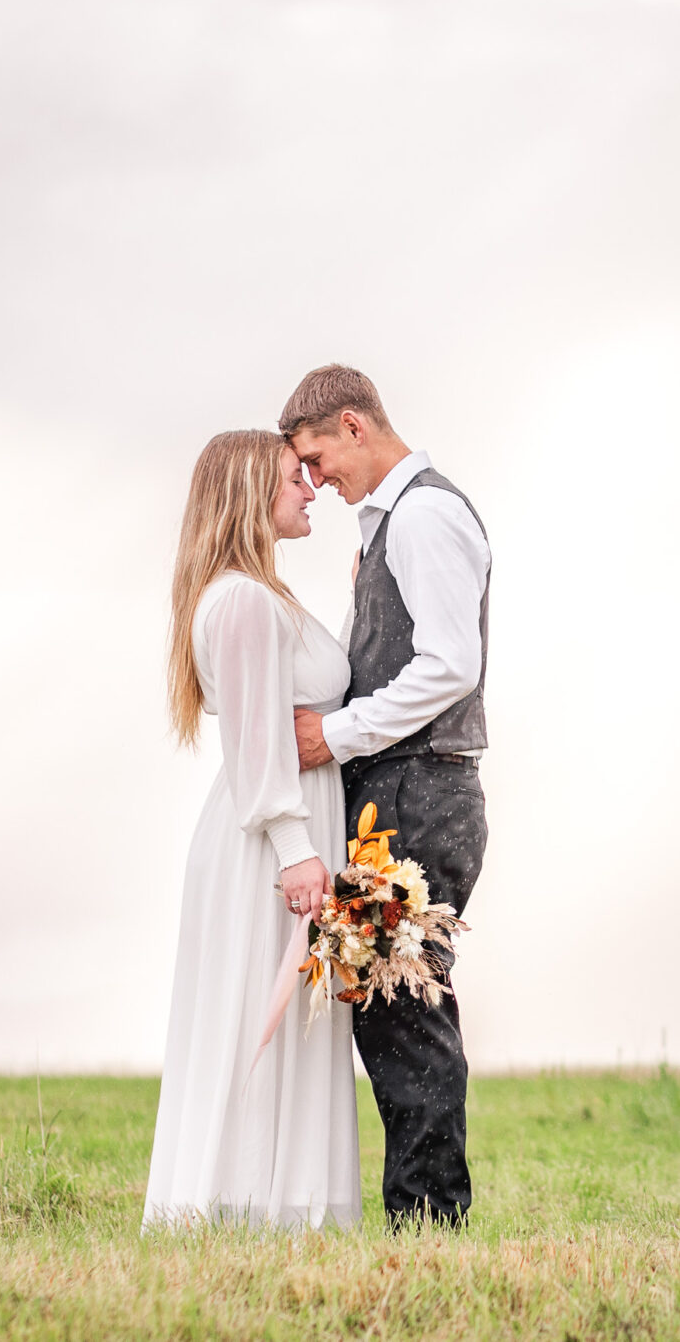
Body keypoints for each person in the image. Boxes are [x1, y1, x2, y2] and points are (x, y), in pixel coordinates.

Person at [281, 364, 491, 1229]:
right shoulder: (393, 522)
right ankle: (421, 1216)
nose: (316, 478)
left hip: (424, 785)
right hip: (400, 785)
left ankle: (431, 1221)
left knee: (407, 1006)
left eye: (317, 454)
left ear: (355, 424)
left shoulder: (427, 515)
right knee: (389, 1005)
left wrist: (333, 734)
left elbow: (449, 666)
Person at [142, 430, 362, 1230]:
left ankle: (281, 1206)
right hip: (269, 847)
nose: (310, 488)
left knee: (288, 1025)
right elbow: (259, 742)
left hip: (282, 835)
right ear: (247, 494)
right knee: (257, 1019)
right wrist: (297, 850)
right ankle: (246, 1210)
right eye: (292, 477)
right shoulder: (239, 600)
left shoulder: (258, 596)